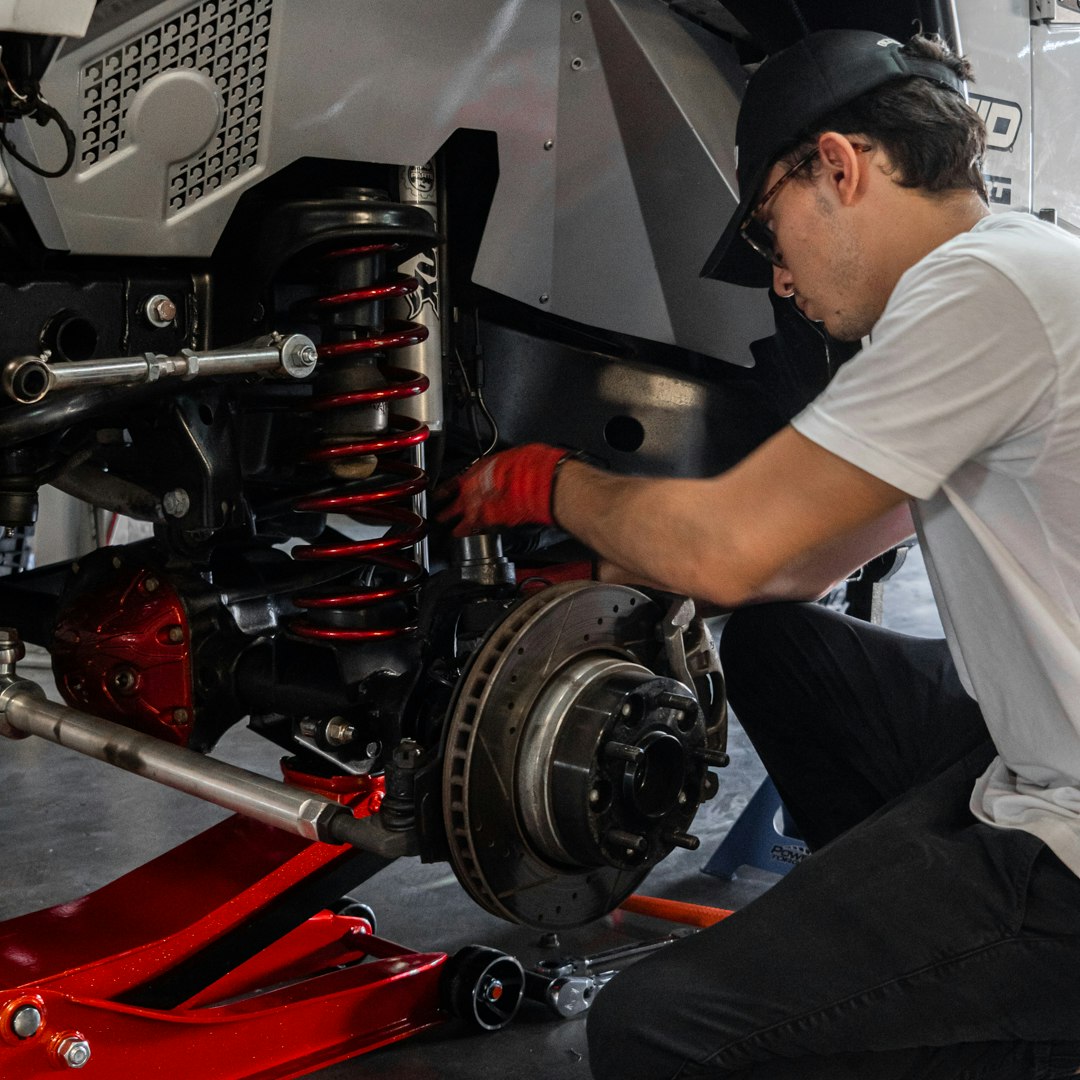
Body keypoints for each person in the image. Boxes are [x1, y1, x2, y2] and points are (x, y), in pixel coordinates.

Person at [438, 28, 1080, 1080]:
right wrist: (608, 573)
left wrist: (547, 483)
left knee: (653, 1033)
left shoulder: (978, 290)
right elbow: (800, 566)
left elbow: (731, 551)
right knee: (786, 650)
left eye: (769, 230)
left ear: (839, 166)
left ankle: (980, 1007)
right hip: (1040, 743)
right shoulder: (1026, 264)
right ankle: (893, 962)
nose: (779, 280)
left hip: (1070, 839)